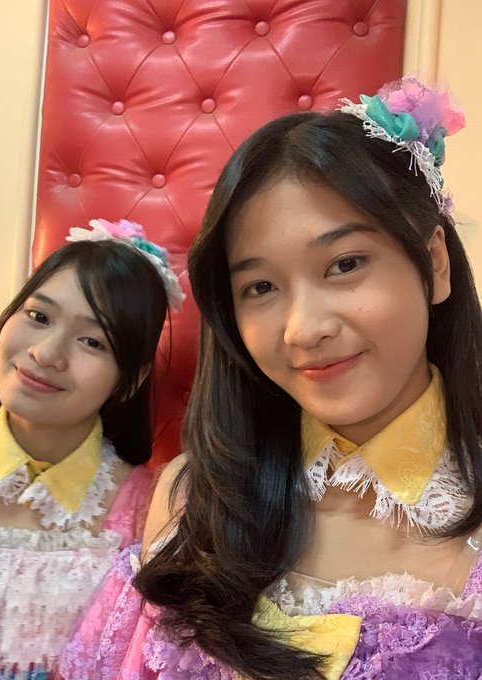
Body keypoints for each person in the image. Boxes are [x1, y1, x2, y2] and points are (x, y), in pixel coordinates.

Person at [61, 77, 482, 679]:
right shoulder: (193, 498)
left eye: (344, 264)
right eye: (260, 287)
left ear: (434, 262)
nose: (303, 329)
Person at [0, 218, 184, 679]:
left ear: (131, 380)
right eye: (38, 317)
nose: (46, 354)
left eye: (92, 341)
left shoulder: (152, 518)